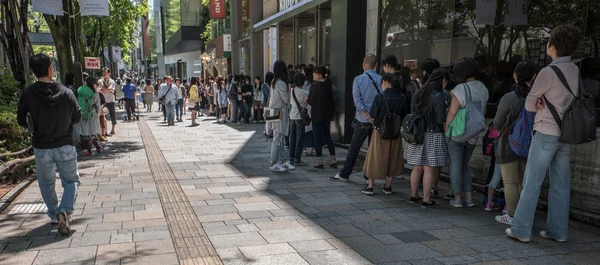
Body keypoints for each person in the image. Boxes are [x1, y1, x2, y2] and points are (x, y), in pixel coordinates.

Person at [507, 24, 582, 243]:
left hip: (546, 131)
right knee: (561, 184)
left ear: (553, 46)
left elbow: (529, 105)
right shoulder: (575, 70)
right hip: (566, 133)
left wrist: (539, 100)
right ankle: (557, 231)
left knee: (532, 181)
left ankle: (521, 229)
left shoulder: (548, 72)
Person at [17, 54, 81, 235]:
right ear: (51, 69)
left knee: (46, 183)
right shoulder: (66, 92)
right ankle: (65, 209)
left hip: (41, 146)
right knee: (71, 181)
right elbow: (77, 116)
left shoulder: (28, 94)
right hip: (65, 145)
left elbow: (21, 120)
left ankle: (54, 214)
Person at [491, 60, 538, 225]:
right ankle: (522, 215)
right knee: (523, 181)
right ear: (534, 76)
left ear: (515, 76)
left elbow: (497, 123)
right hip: (531, 142)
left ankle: (511, 215)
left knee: (510, 181)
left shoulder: (509, 98)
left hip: (509, 141)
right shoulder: (539, 96)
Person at [445, 57, 490, 208]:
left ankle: (457, 198)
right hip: (474, 133)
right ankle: (469, 198)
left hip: (458, 132)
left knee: (455, 166)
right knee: (465, 166)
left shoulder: (460, 89)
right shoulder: (483, 88)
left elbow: (452, 112)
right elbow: (482, 111)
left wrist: (446, 127)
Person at [330, 54, 380, 181]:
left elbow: (357, 102)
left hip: (363, 119)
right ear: (375, 65)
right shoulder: (381, 79)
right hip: (377, 120)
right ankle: (369, 174)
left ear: (364, 64)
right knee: (373, 148)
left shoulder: (358, 79)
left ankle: (345, 173)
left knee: (354, 147)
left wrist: (367, 116)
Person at [405, 68, 449, 207]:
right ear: (442, 80)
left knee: (416, 167)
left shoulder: (418, 93)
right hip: (433, 134)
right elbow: (440, 119)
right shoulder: (439, 96)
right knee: (429, 168)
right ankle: (426, 199)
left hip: (417, 134)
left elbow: (412, 113)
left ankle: (413, 195)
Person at [362, 72, 409, 195]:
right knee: (393, 159)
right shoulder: (402, 97)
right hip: (395, 132)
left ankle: (370, 186)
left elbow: (373, 114)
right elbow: (405, 115)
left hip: (380, 132)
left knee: (375, 158)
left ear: (385, 82)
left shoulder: (380, 97)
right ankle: (388, 186)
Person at [308, 65, 336, 169]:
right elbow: (331, 101)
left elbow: (311, 101)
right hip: (326, 115)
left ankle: (319, 161)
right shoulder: (328, 85)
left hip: (316, 114)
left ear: (319, 74)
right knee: (327, 136)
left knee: (317, 137)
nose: (313, 75)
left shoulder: (314, 86)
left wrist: (307, 99)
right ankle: (333, 158)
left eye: (314, 73)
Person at [269, 60, 294, 172]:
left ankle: (283, 161)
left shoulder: (274, 81)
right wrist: (289, 90)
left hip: (273, 111)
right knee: (278, 138)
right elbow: (286, 99)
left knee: (280, 138)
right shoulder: (282, 84)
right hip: (280, 112)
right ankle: (273, 162)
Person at [77, 76, 103, 155]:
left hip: (84, 113)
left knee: (90, 132)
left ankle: (98, 147)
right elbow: (98, 105)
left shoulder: (82, 91)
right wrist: (99, 112)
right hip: (92, 113)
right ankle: (89, 151)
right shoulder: (95, 93)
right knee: (92, 133)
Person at [289, 72, 309, 166]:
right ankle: (297, 158)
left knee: (292, 137)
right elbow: (307, 104)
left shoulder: (292, 90)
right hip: (300, 118)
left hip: (292, 116)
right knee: (299, 138)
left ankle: (291, 157)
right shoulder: (305, 93)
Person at [98, 67, 117, 135]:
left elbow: (111, 89)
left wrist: (104, 89)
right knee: (103, 116)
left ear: (109, 73)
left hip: (110, 100)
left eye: (105, 72)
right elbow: (98, 90)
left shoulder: (112, 81)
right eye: (103, 72)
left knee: (113, 115)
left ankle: (113, 130)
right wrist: (108, 90)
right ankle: (104, 132)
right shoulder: (100, 81)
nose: (104, 74)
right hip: (103, 101)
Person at [302, 66, 315, 155]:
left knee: (304, 127)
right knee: (313, 128)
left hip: (305, 108)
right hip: (313, 108)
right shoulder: (314, 83)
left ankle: (304, 148)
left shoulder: (303, 84)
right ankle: (314, 149)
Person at [263, 72, 274, 136]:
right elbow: (266, 95)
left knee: (270, 119)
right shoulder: (265, 85)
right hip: (268, 104)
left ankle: (269, 131)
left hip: (269, 103)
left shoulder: (272, 85)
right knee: (268, 119)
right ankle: (268, 132)